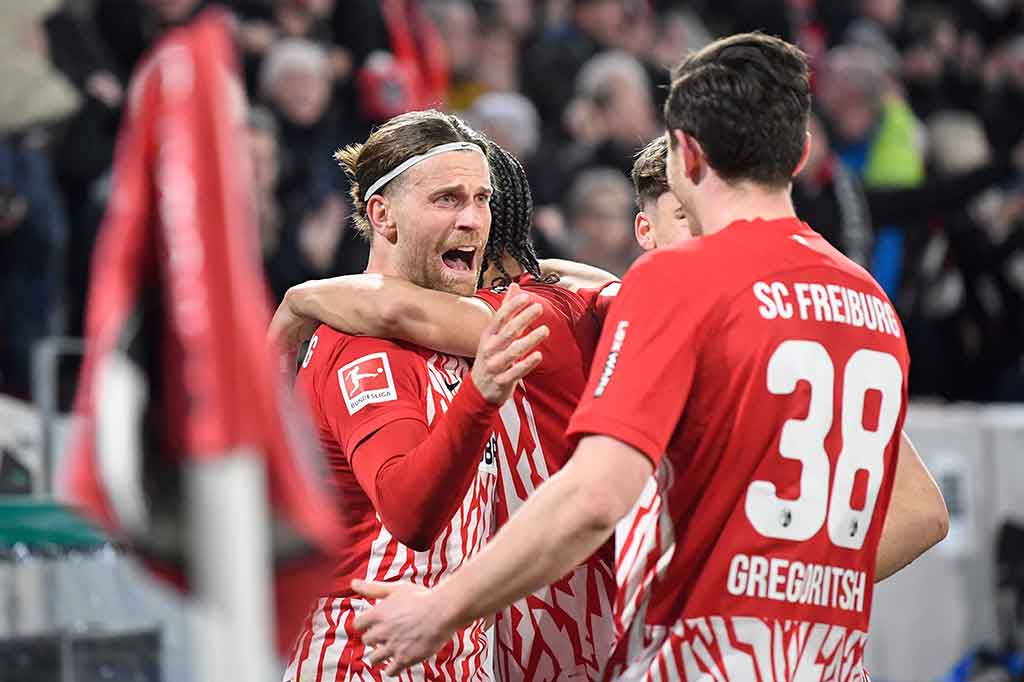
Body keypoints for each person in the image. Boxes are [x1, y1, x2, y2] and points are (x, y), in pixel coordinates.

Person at [347, 33, 944, 679]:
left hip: (706, 658)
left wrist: (439, 610)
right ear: (800, 153)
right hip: (828, 661)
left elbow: (596, 498)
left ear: (685, 154)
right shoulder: (865, 299)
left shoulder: (681, 279)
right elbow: (920, 512)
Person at [272, 143, 620, 681]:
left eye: (481, 200)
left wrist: (299, 300)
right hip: (388, 656)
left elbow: (397, 306)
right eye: (448, 199)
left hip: (533, 636)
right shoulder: (372, 346)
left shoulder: (506, 319)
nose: (470, 219)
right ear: (384, 213)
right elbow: (408, 513)